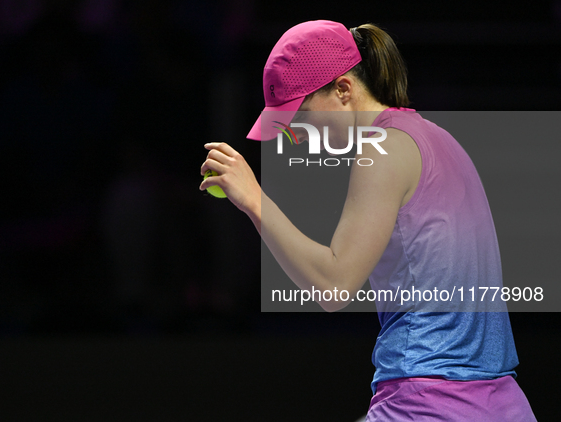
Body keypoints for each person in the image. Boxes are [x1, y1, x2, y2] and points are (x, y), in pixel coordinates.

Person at [199, 20, 537, 421]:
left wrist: (255, 200)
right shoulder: (437, 138)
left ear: (343, 89)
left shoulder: (379, 151)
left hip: (427, 402)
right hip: (502, 405)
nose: (294, 135)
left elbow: (333, 286)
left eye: (299, 114)